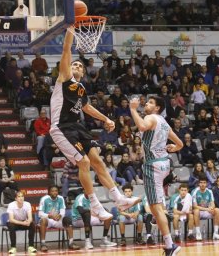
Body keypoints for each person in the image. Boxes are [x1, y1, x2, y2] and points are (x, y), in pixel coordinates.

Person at [49, 26, 139, 221]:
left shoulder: (80, 88)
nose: (77, 67)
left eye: (80, 66)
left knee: (97, 161)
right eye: (75, 65)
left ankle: (119, 198)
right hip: (61, 127)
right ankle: (95, 205)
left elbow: (87, 108)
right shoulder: (64, 78)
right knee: (84, 162)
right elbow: (66, 49)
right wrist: (70, 28)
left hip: (76, 127)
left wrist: (106, 119)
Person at [129, 95, 183, 255]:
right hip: (165, 163)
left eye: (151, 102)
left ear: (157, 108)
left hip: (153, 166)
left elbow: (142, 126)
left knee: (155, 207)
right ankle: (167, 239)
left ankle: (169, 245)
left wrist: (132, 109)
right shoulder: (164, 122)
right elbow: (179, 142)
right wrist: (176, 147)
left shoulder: (151, 117)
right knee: (157, 207)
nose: (147, 104)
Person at [38, 185, 80, 252]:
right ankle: (43, 244)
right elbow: (40, 214)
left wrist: (60, 215)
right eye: (52, 191)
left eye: (56, 191)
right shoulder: (44, 199)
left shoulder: (60, 198)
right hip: (48, 220)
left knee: (67, 219)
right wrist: (50, 216)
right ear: (49, 192)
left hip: (58, 220)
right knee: (43, 220)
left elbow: (63, 211)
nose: (55, 192)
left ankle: (71, 243)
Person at [191, 175, 219, 241]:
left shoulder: (209, 191)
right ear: (198, 183)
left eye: (204, 183)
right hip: (199, 212)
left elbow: (212, 203)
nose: (202, 184)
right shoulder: (194, 191)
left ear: (207, 184)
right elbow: (194, 206)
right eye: (201, 182)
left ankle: (215, 233)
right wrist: (207, 209)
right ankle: (198, 233)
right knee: (196, 210)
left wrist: (211, 208)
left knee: (217, 210)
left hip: (207, 211)